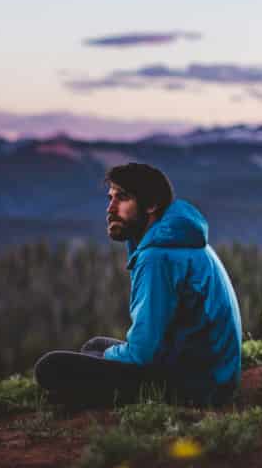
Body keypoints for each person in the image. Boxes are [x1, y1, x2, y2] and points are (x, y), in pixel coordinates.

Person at [34, 162, 242, 408]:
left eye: (122, 198)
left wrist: (110, 357)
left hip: (195, 387)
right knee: (95, 346)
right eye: (110, 198)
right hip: (211, 373)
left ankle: (86, 400)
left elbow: (142, 354)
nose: (111, 208)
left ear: (151, 205)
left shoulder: (157, 256)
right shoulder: (179, 238)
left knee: (50, 366)